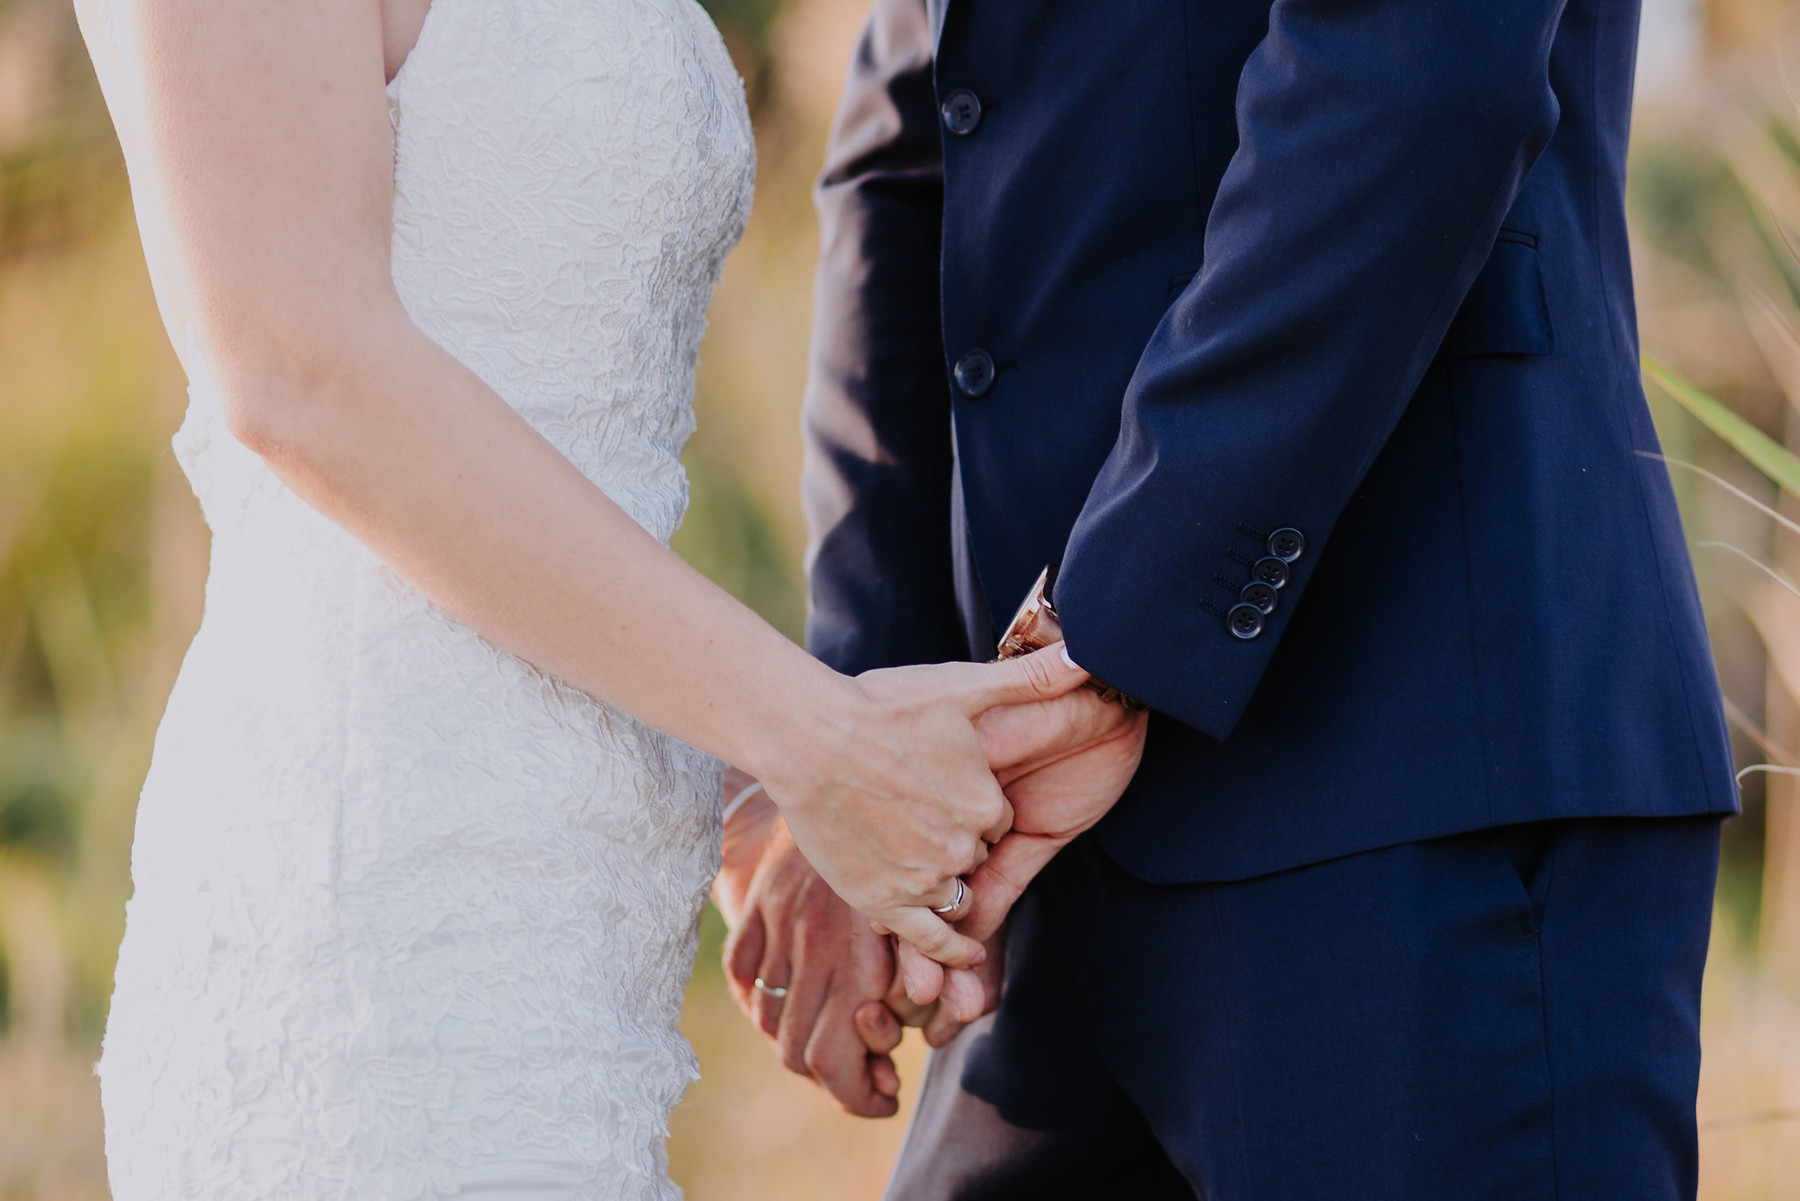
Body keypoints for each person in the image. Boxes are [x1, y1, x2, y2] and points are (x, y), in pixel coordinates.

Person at [73, 0, 1140, 1195]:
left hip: (575, 958)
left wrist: (753, 799)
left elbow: (559, 441)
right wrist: (817, 737)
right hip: (374, 924)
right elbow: (296, 367)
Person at [724, 0, 1742, 1196]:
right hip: (1021, 841)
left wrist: (1115, 638)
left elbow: (1419, 69)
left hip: (1413, 769)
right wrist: (872, 746)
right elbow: (914, 138)